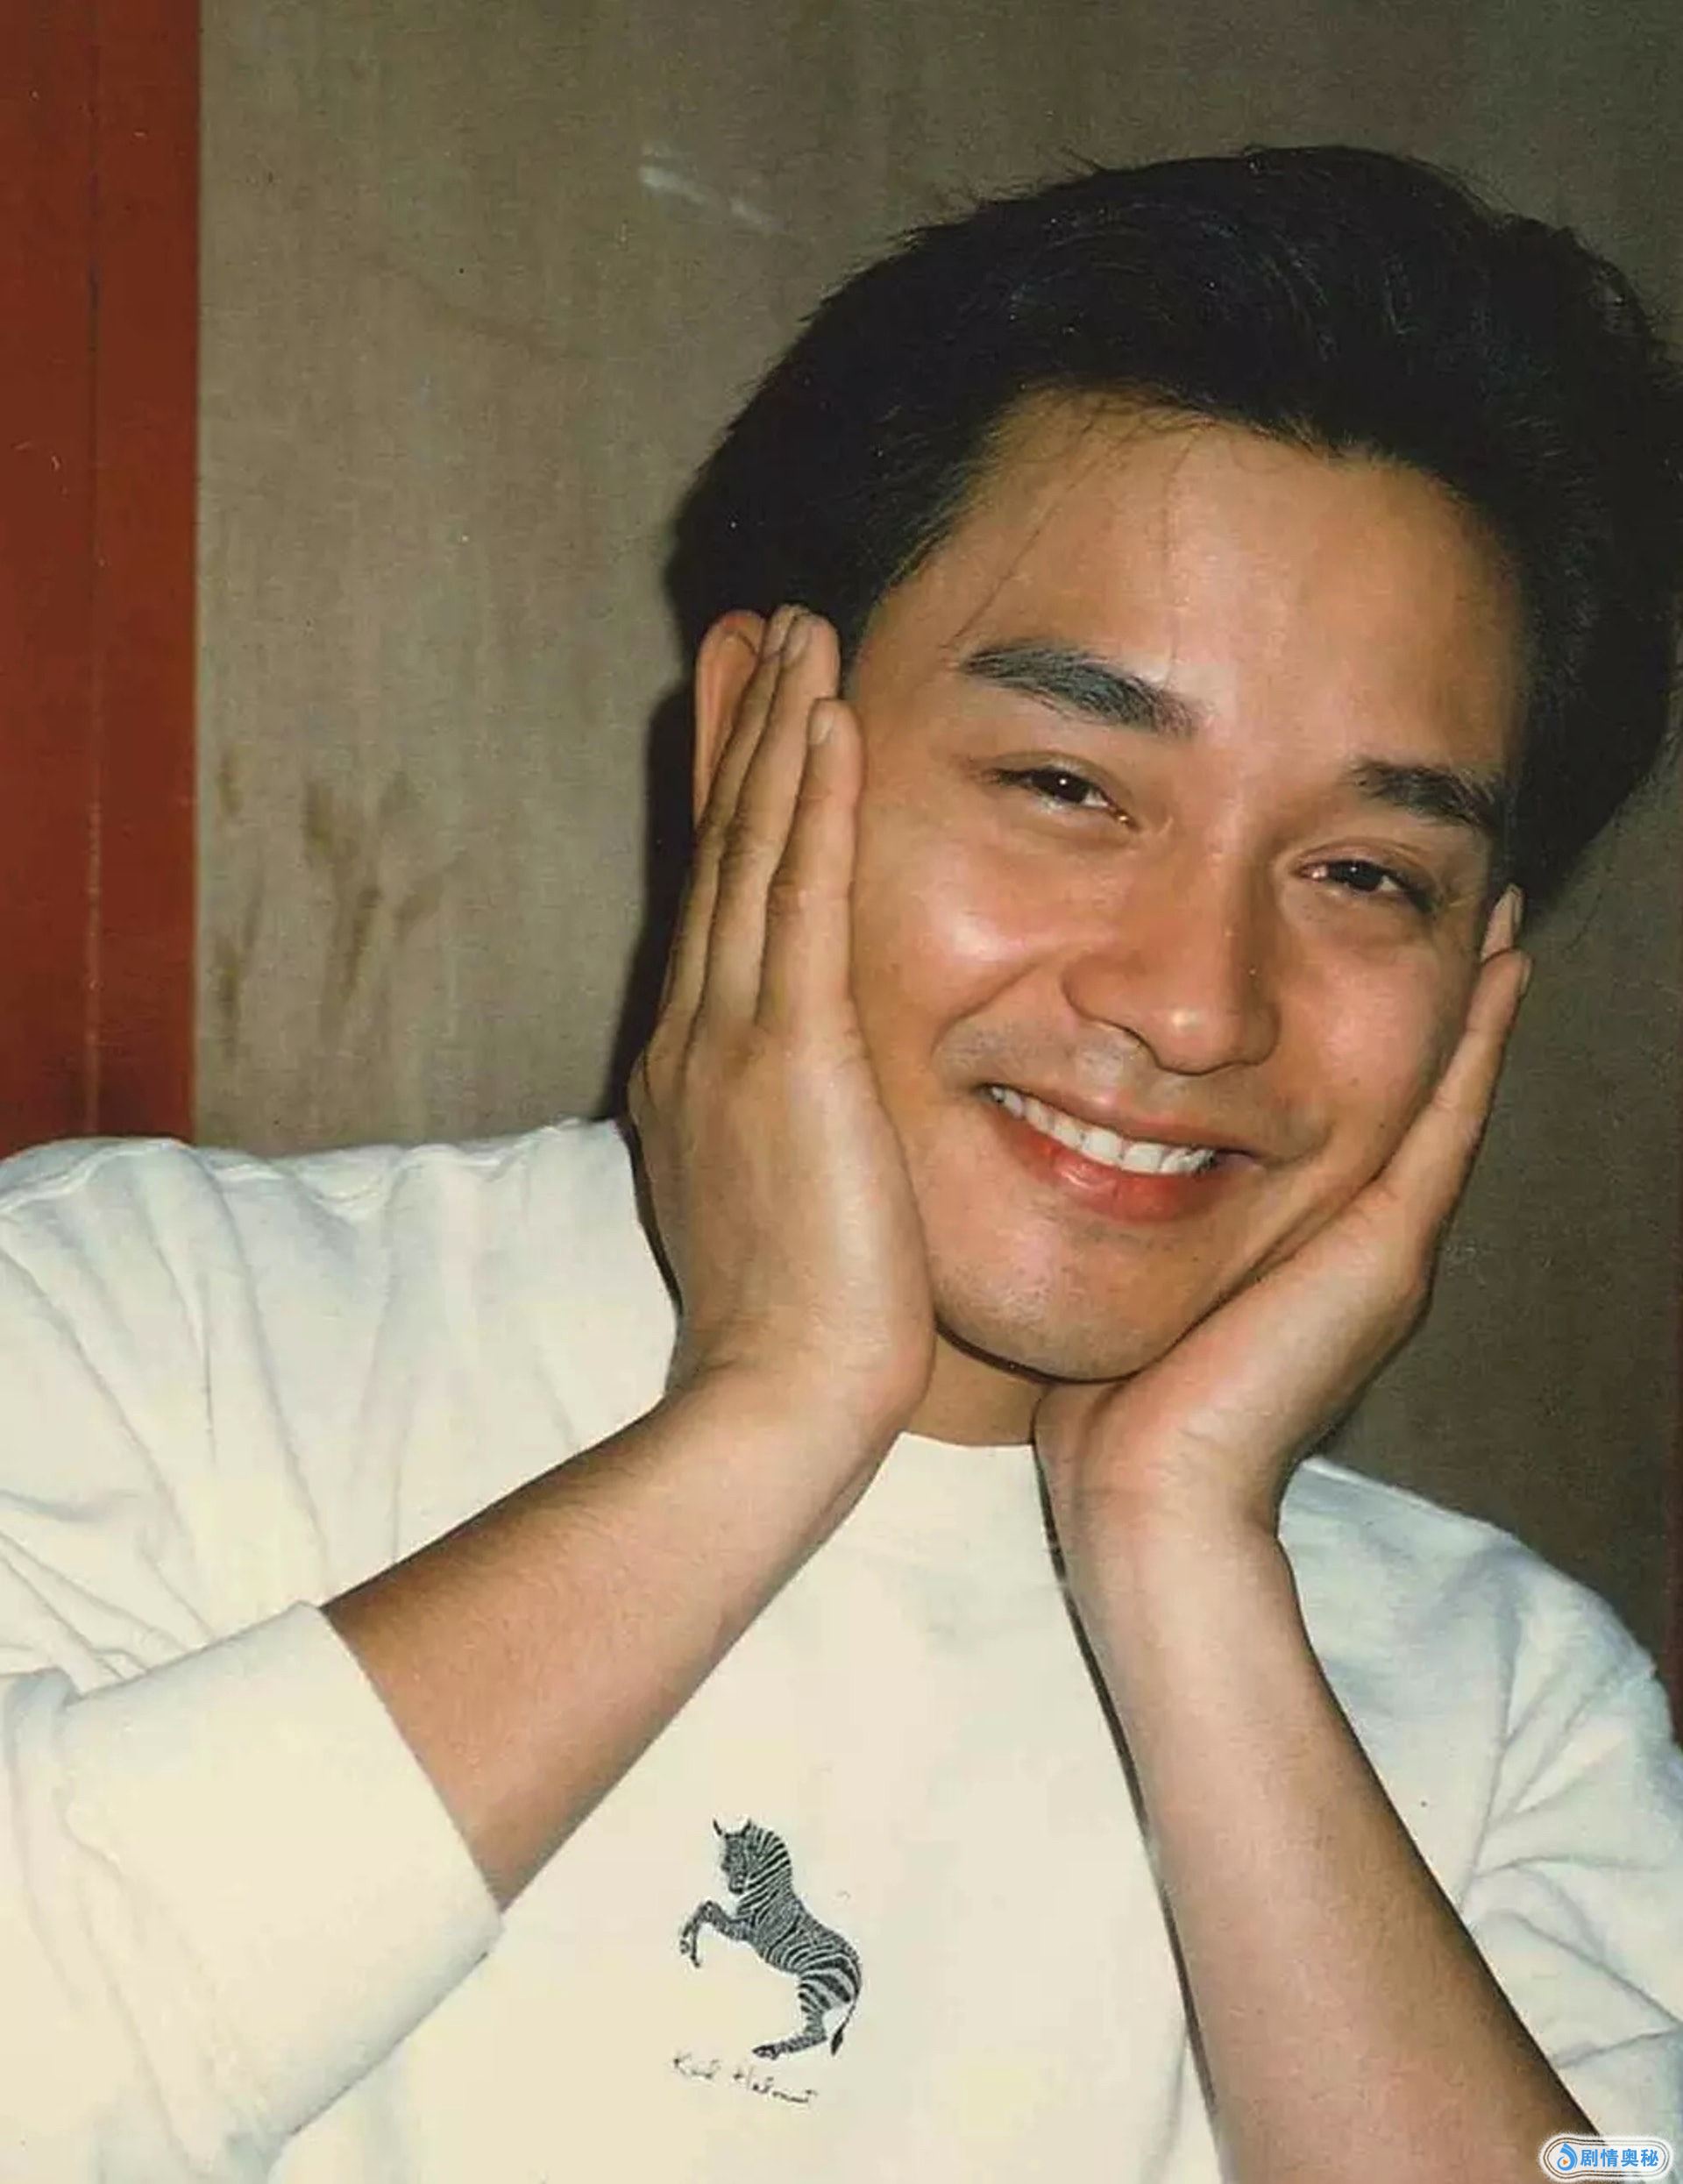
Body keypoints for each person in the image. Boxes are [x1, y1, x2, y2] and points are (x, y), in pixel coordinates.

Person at [2, 145, 1680, 2183]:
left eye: (1365, 874)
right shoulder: (144, 1332)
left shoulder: (1513, 1697)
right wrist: (772, 1407)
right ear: (755, 745)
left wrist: (1180, 1553)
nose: (1195, 1003)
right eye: (1069, 784)